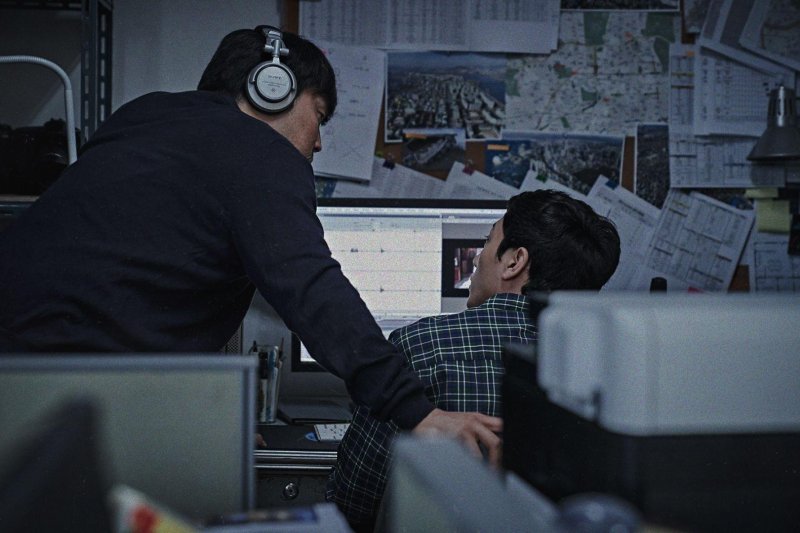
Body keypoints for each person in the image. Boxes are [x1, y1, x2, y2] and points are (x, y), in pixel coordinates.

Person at [0, 27, 500, 452]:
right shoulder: (261, 152)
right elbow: (311, 288)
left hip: (24, 375)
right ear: (272, 89)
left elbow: (144, 287)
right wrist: (417, 412)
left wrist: (204, 416)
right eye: (319, 115)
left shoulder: (143, 115)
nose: (319, 141)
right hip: (63, 392)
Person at [327, 189, 622, 531]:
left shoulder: (421, 346)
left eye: (487, 242)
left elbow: (353, 504)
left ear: (514, 261)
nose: (479, 258)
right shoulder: (611, 368)